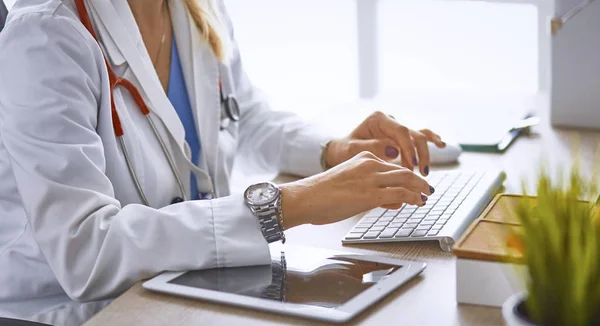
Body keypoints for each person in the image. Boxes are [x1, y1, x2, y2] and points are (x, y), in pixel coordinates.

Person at [0, 0, 445, 304]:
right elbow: (86, 249)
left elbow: (244, 116)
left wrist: (332, 151)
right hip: (75, 317)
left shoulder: (195, 9)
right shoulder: (45, 37)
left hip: (186, 281)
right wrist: (291, 204)